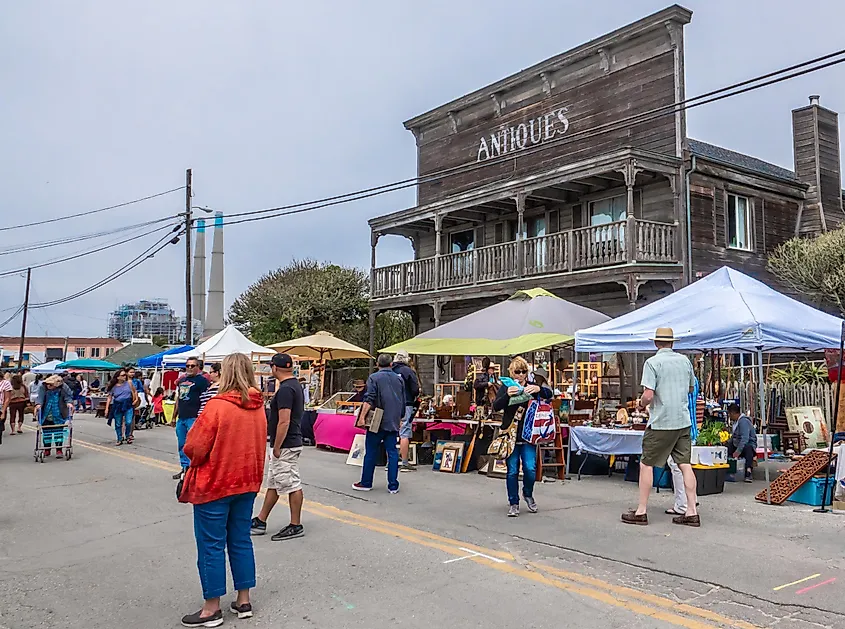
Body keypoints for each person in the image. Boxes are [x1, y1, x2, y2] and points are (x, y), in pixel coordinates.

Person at [180, 353, 267, 627]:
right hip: (247, 481)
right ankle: (243, 600)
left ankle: (211, 608)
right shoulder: (258, 406)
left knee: (211, 545)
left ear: (225, 373)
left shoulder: (217, 406)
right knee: (241, 540)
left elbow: (194, 447)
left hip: (216, 483)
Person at [622, 327, 700, 527]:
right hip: (682, 420)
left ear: (656, 343)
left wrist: (640, 404)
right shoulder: (685, 361)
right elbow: (691, 388)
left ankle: (641, 511)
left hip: (661, 421)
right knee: (685, 465)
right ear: (673, 343)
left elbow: (648, 395)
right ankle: (691, 510)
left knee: (646, 463)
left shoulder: (652, 363)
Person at [251, 353, 306, 540]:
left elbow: (284, 420)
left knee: (291, 483)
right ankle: (261, 519)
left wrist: (277, 446)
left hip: (286, 443)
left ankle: (295, 524)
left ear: (275, 368)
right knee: (274, 483)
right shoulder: (294, 385)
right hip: (289, 441)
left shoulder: (285, 390)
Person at [493, 358, 553, 517]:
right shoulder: (507, 386)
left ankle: (528, 493)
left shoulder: (531, 387)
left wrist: (538, 389)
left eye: (523, 371)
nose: (520, 375)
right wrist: (506, 395)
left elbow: (550, 394)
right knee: (512, 471)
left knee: (530, 468)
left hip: (528, 435)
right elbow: (496, 406)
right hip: (511, 434)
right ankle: (513, 502)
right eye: (517, 372)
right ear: (512, 373)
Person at [352, 354, 405, 493]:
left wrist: (362, 417)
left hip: (377, 420)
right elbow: (403, 400)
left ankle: (366, 482)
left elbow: (369, 398)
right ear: (391, 364)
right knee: (392, 452)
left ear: (377, 364)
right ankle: (393, 485)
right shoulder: (399, 379)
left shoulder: (374, 378)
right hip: (393, 419)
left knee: (371, 452)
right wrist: (400, 418)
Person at [172, 357, 210, 481]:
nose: (189, 368)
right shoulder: (182, 380)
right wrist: (174, 416)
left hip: (194, 417)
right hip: (182, 417)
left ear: (198, 367)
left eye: (192, 366)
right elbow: (178, 399)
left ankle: (193, 469)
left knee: (193, 445)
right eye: (187, 366)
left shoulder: (202, 381)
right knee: (182, 444)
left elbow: (206, 399)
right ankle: (184, 468)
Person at [392, 350, 420, 472]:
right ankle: (404, 462)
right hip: (406, 403)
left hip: (390, 404)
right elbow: (415, 389)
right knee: (404, 432)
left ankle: (391, 462)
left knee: (391, 431)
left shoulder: (389, 370)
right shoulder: (408, 371)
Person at [34, 374, 73, 458]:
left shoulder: (63, 387)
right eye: (48, 384)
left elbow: (68, 396)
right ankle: (47, 449)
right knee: (46, 432)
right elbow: (39, 397)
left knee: (58, 432)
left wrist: (69, 403)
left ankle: (59, 450)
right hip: (46, 412)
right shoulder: (43, 386)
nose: (48, 385)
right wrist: (38, 404)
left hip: (58, 413)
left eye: (51, 384)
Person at [105, 369, 138, 446]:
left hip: (128, 404)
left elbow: (134, 391)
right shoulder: (113, 387)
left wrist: (136, 399)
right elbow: (109, 397)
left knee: (129, 421)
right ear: (118, 377)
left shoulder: (129, 383)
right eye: (123, 375)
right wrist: (107, 408)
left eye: (125, 375)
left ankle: (127, 436)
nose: (124, 377)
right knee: (118, 423)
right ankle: (119, 438)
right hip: (118, 405)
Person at [727, 403, 757, 483]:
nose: (729, 416)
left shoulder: (743, 422)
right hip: (737, 443)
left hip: (747, 445)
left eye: (729, 414)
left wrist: (738, 451)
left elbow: (745, 438)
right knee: (728, 447)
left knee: (748, 448)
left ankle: (748, 471)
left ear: (733, 413)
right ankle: (730, 469)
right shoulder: (736, 422)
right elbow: (734, 437)